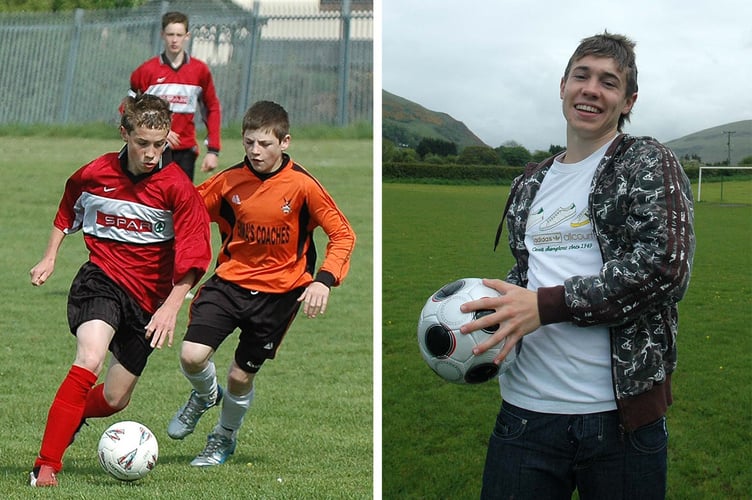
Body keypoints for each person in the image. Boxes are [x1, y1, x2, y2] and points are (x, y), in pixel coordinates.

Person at [460, 32, 695, 499]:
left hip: (620, 423)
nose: (591, 89)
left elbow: (665, 267)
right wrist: (488, 307)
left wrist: (545, 307)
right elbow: (528, 273)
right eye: (581, 76)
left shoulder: (645, 162)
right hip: (524, 414)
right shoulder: (530, 181)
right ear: (563, 85)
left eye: (609, 82)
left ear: (628, 101)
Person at [28, 93, 212, 487]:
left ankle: (70, 414)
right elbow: (67, 211)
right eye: (142, 143)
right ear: (124, 133)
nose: (150, 153)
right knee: (89, 358)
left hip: (148, 302)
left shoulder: (178, 189)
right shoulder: (94, 174)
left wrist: (170, 307)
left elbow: (196, 258)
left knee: (114, 399)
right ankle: (46, 466)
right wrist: (50, 257)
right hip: (101, 281)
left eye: (159, 145)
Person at [165, 100, 356, 467]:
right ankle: (205, 395)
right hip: (229, 283)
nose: (255, 151)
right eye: (249, 142)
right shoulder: (229, 181)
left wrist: (324, 282)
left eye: (264, 144)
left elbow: (343, 234)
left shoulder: (302, 185)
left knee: (239, 377)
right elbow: (187, 209)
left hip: (280, 296)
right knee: (191, 356)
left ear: (285, 142)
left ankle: (222, 438)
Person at [127, 11, 222, 181]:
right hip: (151, 149)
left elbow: (212, 108)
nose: (174, 40)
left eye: (179, 35)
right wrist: (157, 131)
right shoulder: (146, 71)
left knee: (179, 203)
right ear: (162, 34)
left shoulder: (200, 71)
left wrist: (213, 150)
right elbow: (128, 108)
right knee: (149, 202)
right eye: (170, 34)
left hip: (184, 150)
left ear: (187, 36)